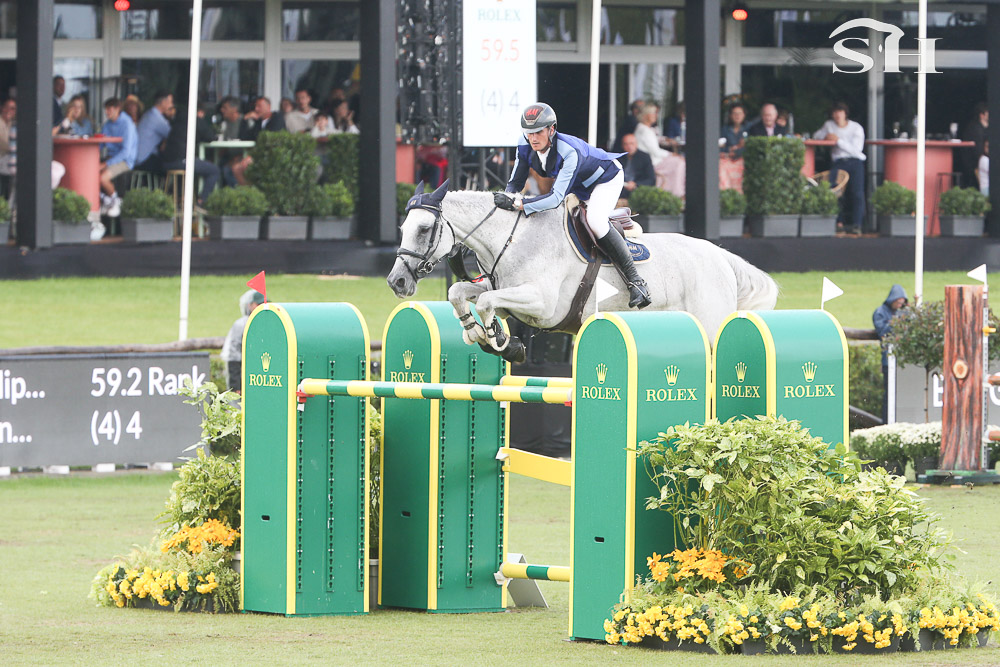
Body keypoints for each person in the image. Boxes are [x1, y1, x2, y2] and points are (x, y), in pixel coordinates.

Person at [497, 102, 651, 309]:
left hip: (606, 179)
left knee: (595, 221)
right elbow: (515, 184)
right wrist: (506, 204)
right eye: (529, 133)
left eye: (538, 132)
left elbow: (555, 199)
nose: (533, 138)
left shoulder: (569, 151)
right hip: (578, 185)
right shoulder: (524, 144)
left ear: (551, 129)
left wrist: (519, 203)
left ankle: (637, 282)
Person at [812, 101, 867, 233]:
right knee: (834, 191)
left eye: (840, 112)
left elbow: (856, 150)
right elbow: (816, 136)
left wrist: (838, 141)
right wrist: (826, 136)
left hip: (855, 162)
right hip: (838, 162)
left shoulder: (856, 128)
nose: (837, 115)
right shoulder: (829, 125)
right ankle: (839, 222)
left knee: (857, 193)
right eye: (835, 112)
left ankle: (857, 224)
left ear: (845, 113)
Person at [160, 104, 220, 204]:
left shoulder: (178, 120)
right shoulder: (195, 120)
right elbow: (211, 137)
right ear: (200, 112)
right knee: (214, 170)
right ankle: (202, 201)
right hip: (182, 160)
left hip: (167, 162)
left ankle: (173, 200)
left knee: (182, 175)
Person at [873, 284, 908, 423]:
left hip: (904, 360)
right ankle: (886, 422)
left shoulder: (904, 312)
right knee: (889, 395)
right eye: (898, 302)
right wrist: (896, 321)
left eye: (902, 303)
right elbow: (882, 332)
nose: (900, 305)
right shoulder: (880, 312)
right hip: (888, 360)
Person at [633, 102, 685, 197]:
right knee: (680, 162)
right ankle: (676, 192)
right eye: (653, 113)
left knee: (679, 160)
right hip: (652, 162)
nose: (656, 116)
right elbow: (656, 151)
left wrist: (664, 139)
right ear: (646, 115)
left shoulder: (645, 129)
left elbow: (653, 140)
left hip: (653, 160)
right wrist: (671, 154)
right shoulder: (644, 130)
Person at [99, 97, 138, 219]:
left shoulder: (127, 124)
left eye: (109, 109)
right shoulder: (107, 125)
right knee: (89, 173)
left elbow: (125, 152)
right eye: (106, 110)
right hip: (110, 158)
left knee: (102, 178)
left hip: (125, 161)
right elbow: (100, 145)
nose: (107, 112)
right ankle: (106, 200)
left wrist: (105, 164)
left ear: (117, 109)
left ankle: (116, 201)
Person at [221, 289, 267, 392]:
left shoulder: (267, 322)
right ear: (250, 305)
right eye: (259, 304)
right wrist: (236, 385)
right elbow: (233, 354)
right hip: (242, 371)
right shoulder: (241, 324)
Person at [134, 90, 174, 173]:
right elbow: (173, 136)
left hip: (138, 157)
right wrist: (172, 116)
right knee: (172, 165)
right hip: (143, 160)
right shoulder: (157, 118)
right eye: (170, 102)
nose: (172, 105)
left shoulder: (149, 114)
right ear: (163, 102)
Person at [619, 133, 655, 202]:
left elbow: (651, 179)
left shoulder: (644, 157)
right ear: (622, 146)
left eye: (632, 143)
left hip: (637, 190)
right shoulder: (619, 157)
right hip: (621, 188)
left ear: (636, 144)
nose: (629, 147)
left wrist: (636, 184)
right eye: (626, 144)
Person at [960, 102, 988, 190]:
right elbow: (978, 151)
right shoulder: (975, 129)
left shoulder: (987, 129)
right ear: (982, 115)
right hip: (974, 167)